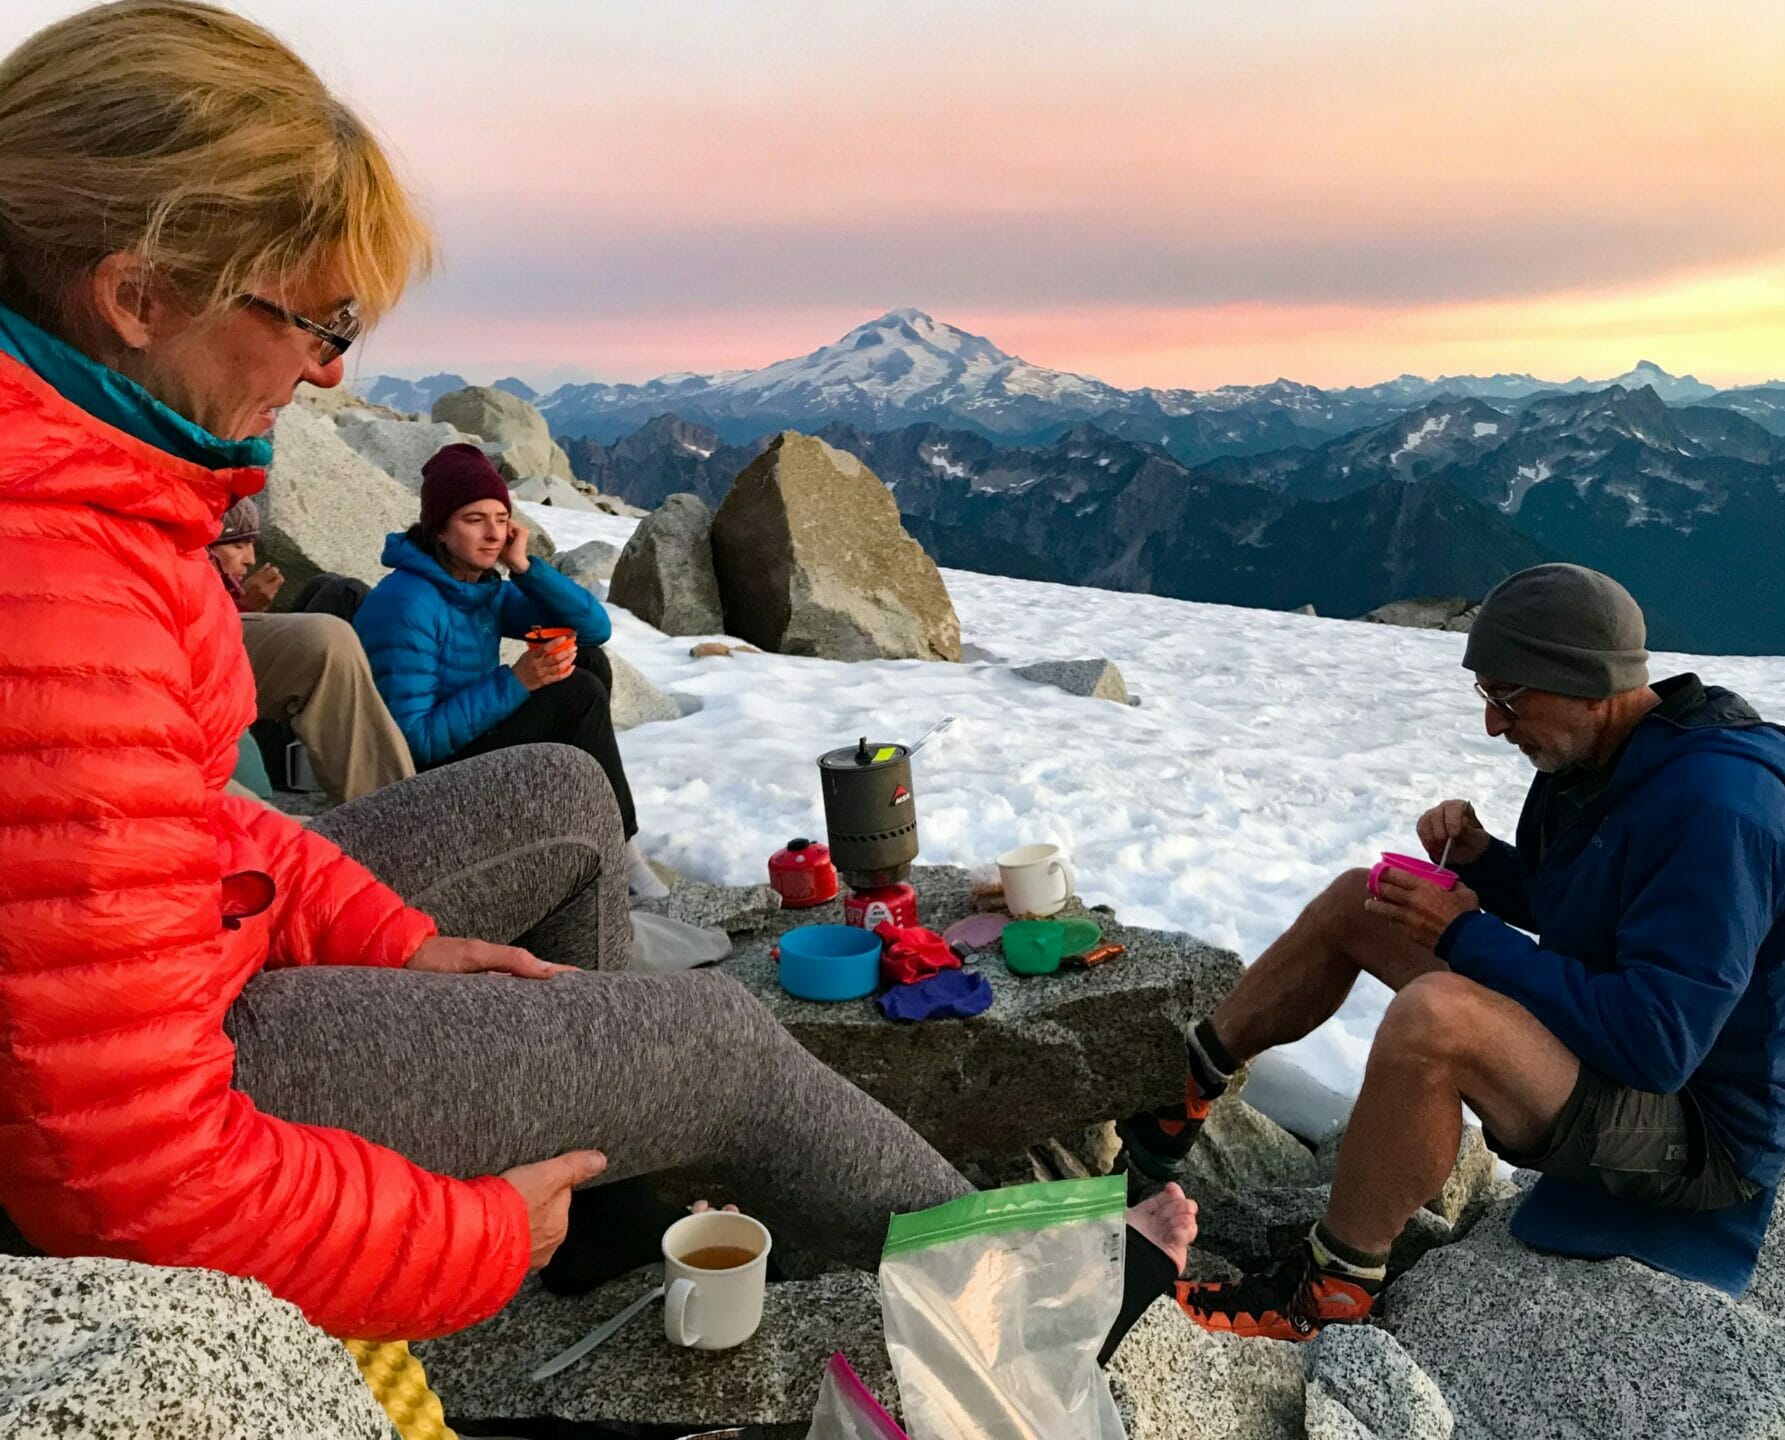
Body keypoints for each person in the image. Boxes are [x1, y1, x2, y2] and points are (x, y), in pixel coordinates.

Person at [0, 0, 1195, 1345]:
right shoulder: (53, 582)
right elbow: (121, 1174)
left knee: (565, 795)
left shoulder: (82, 497)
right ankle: (1063, 1299)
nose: (331, 373)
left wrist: (395, 938)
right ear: (137, 295)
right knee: (717, 1046)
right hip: (187, 1069)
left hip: (177, 961)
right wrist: (470, 1240)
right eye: (316, 320)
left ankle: (606, 1194)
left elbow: (158, 830)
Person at [1117, 563, 1785, 1339]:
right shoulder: (1608, 757)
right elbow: (1597, 908)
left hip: (1698, 1132)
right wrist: (1484, 862)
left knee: (1439, 1020)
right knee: (1364, 899)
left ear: (1587, 684)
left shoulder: (1718, 814)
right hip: (1618, 1052)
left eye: (1509, 698)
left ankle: (1327, 1291)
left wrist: (1463, 930)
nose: (1495, 725)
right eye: (1487, 696)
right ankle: (1177, 1105)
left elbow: (1655, 1045)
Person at [354, 443, 650, 882]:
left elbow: (593, 629)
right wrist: (517, 681)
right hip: (422, 781)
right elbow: (413, 742)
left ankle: (580, 817)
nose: (493, 534)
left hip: (466, 743)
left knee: (585, 659)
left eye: (501, 519)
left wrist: (525, 567)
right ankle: (618, 852)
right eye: (474, 520)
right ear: (439, 531)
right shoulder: (407, 604)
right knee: (577, 694)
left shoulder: (477, 588)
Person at [208, 495, 414, 803]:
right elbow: (424, 733)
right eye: (238, 544)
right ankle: (401, 812)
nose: (251, 559)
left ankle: (401, 817)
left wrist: (517, 568)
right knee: (341, 596)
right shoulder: (416, 599)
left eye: (503, 520)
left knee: (334, 599)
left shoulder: (489, 600)